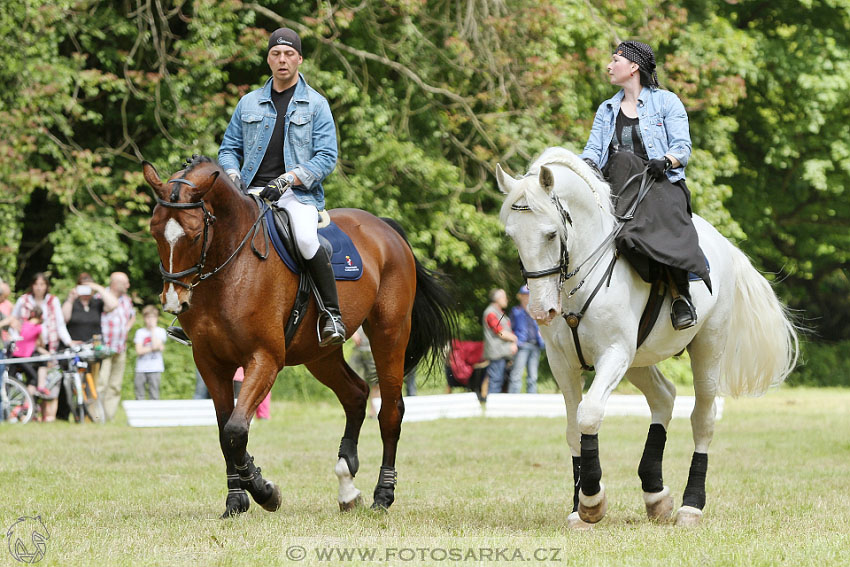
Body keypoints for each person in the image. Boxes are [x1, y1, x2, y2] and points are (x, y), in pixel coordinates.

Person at [218, 27, 344, 346]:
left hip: (295, 195)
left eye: (289, 54)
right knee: (208, 232)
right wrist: (232, 176)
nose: (282, 59)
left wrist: (289, 178)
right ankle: (192, 315)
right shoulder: (248, 103)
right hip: (248, 193)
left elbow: (327, 156)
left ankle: (332, 315)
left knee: (304, 238)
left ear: (299, 59)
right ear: (268, 59)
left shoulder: (316, 105)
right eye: (276, 53)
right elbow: (229, 147)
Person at [579, 40, 710, 330]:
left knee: (665, 214)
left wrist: (666, 160)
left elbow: (682, 147)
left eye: (615, 60)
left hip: (659, 182)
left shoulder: (667, 102)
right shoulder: (606, 109)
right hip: (618, 184)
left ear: (634, 66)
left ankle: (680, 296)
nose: (609, 66)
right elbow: (591, 151)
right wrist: (581, 166)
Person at [11, 273, 73, 421]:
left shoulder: (53, 301)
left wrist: (69, 342)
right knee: (32, 376)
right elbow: (14, 321)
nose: (39, 288)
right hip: (25, 351)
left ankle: (41, 412)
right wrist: (15, 340)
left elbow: (60, 325)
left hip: (45, 346)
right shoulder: (23, 300)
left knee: (45, 375)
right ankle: (29, 408)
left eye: (42, 284)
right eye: (36, 284)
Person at [99, 272, 136, 421]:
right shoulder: (101, 296)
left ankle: (109, 416)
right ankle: (96, 416)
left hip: (120, 347)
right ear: (116, 283)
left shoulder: (127, 300)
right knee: (101, 383)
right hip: (104, 348)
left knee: (115, 385)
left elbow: (132, 316)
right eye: (125, 283)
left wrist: (126, 328)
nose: (128, 285)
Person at [508, 285, 545, 393]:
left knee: (533, 376)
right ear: (520, 296)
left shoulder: (536, 311)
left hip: (536, 345)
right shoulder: (516, 311)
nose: (526, 297)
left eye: (528, 295)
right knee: (516, 374)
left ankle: (532, 400)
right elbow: (510, 328)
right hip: (522, 345)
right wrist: (513, 342)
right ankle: (513, 398)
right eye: (524, 295)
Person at [62, 273, 117, 344]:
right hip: (75, 346)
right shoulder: (72, 303)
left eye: (88, 288)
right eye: (83, 288)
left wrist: (99, 288)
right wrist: (70, 299)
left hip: (95, 347)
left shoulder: (97, 303)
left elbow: (114, 305)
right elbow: (63, 319)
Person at [482, 288, 517, 395]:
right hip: (496, 353)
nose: (506, 299)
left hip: (502, 352)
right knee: (495, 380)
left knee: (500, 381)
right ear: (497, 299)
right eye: (504, 297)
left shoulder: (498, 312)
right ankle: (492, 406)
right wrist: (514, 339)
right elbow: (499, 332)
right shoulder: (491, 313)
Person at [133, 305, 167, 400]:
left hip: (155, 368)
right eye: (148, 317)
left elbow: (156, 345)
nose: (150, 320)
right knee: (139, 395)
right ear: (144, 318)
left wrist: (152, 330)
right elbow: (139, 351)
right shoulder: (140, 332)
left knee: (154, 394)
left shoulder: (161, 331)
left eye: (153, 317)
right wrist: (155, 348)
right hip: (141, 368)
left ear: (156, 318)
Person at [348, 326, 378, 418]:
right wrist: (352, 333)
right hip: (358, 349)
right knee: (353, 381)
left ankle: (373, 411)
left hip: (373, 350)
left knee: (376, 383)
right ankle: (354, 411)